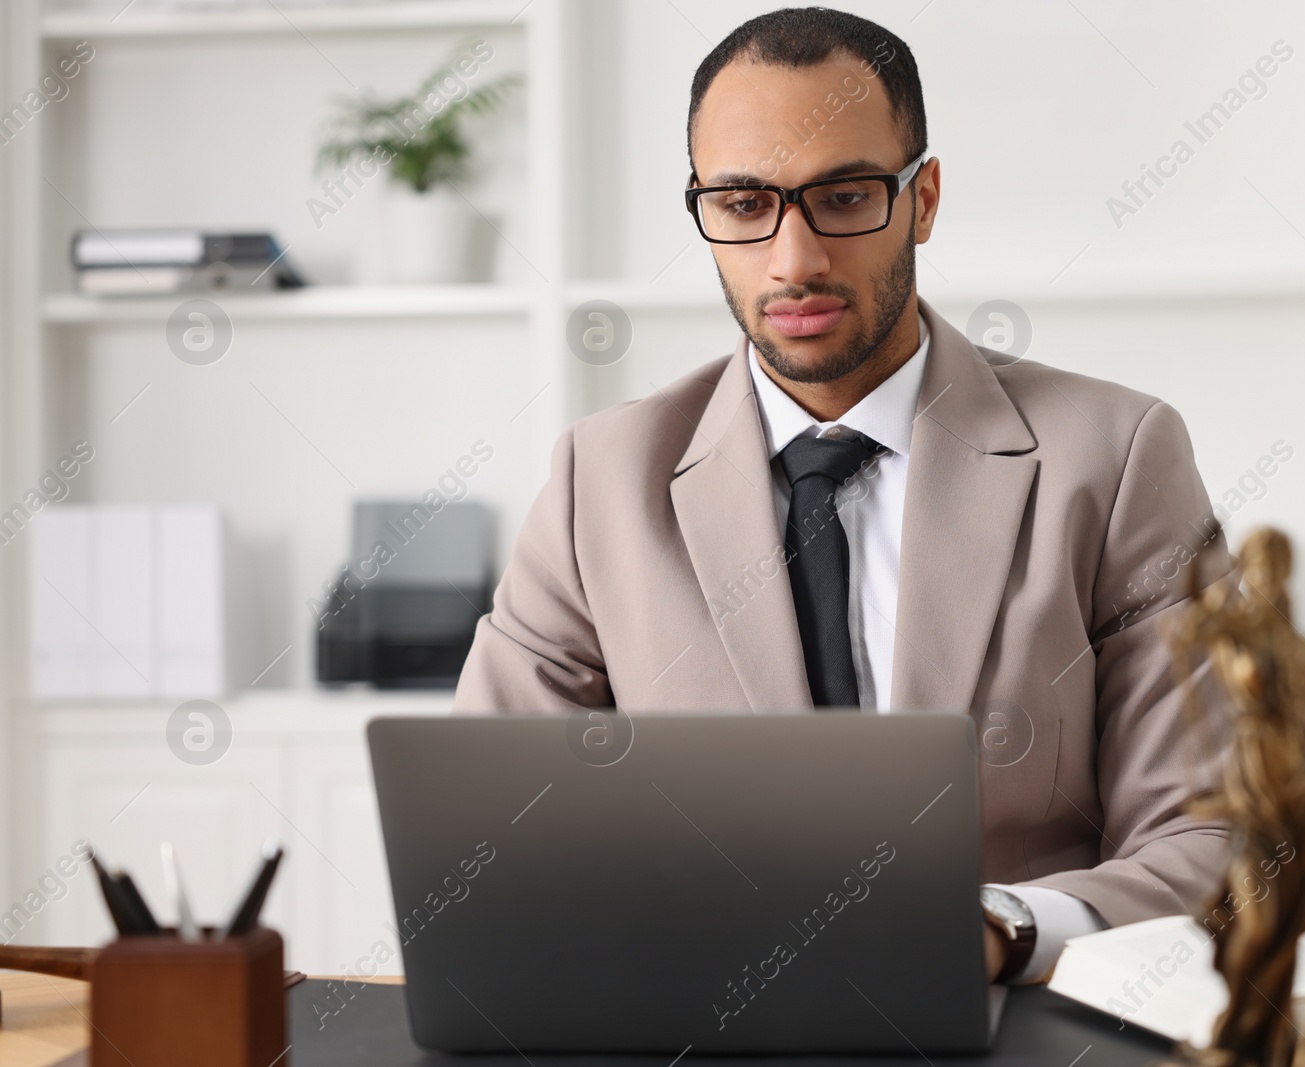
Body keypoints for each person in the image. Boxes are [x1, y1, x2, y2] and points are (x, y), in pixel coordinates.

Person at [455, 6, 1234, 986]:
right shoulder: (598, 479)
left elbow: (1218, 833)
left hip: (1019, 1026)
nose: (793, 260)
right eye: (743, 203)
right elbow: (483, 838)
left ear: (924, 198)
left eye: (844, 195)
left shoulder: (1115, 458)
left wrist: (1002, 929)